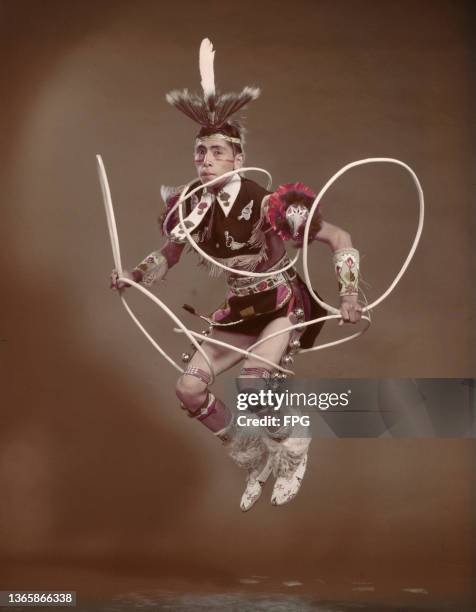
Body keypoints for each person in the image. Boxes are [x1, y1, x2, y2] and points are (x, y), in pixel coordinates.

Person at [110, 39, 362, 510]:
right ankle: (251, 457)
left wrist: (348, 293)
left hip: (280, 304)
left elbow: (339, 237)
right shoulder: (191, 204)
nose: (204, 160)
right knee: (188, 388)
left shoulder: (267, 203)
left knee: (252, 385)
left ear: (238, 157)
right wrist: (136, 275)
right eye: (200, 152)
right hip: (240, 309)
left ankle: (291, 451)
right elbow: (172, 250)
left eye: (215, 152)